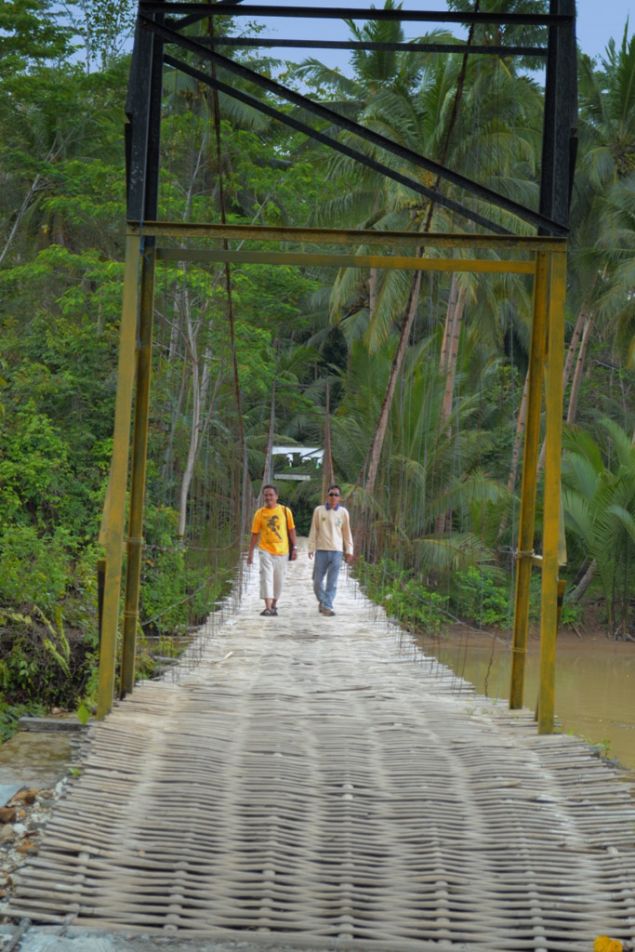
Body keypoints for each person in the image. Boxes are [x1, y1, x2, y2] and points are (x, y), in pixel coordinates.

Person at [247, 484, 297, 616]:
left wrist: (295, 548)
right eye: (266, 495)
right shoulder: (259, 513)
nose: (268, 497)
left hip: (282, 551)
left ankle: (274, 604)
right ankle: (268, 607)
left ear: (276, 496)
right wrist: (251, 552)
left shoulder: (286, 511)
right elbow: (255, 534)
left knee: (278, 580)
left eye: (271, 495)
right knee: (266, 578)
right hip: (265, 550)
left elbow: (291, 530)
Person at [307, 484, 353, 617]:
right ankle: (323, 601)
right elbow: (314, 529)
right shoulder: (319, 510)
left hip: (337, 551)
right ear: (327, 496)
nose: (333, 497)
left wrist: (349, 550)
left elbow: (347, 532)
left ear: (340, 498)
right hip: (321, 550)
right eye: (331, 494)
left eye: (336, 495)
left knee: (332, 582)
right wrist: (311, 547)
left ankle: (327, 606)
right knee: (317, 581)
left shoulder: (343, 512)